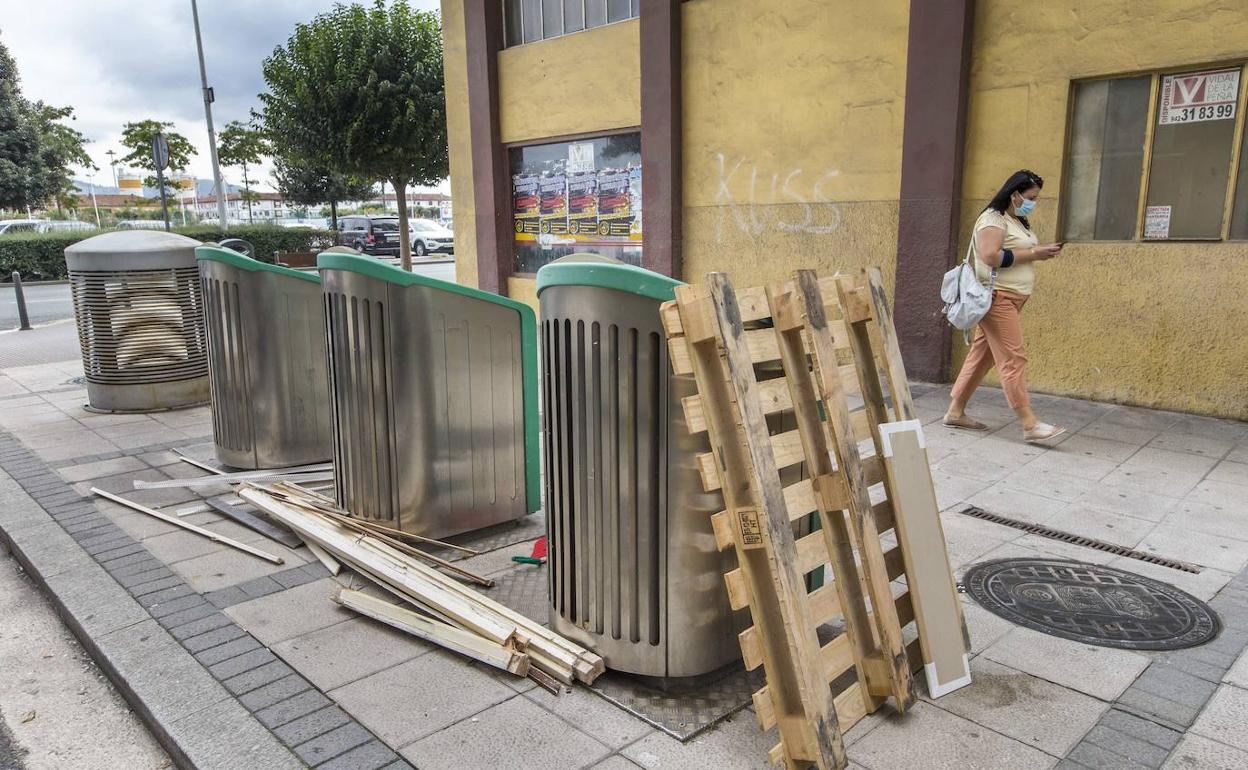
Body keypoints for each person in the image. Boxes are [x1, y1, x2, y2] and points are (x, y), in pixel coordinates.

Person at [943, 169, 1066, 443]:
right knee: (1013, 358)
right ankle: (1029, 424)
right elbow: (990, 256)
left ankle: (955, 411)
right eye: (1031, 197)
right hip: (998, 299)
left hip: (1011, 297)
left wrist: (1039, 252)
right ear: (1014, 194)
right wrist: (1035, 254)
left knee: (982, 356)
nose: (1033, 202)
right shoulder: (993, 219)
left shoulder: (1016, 220)